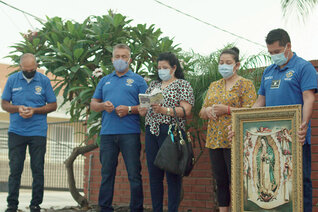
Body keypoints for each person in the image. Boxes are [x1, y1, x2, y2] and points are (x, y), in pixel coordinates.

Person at [253, 28, 317, 212]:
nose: (274, 56)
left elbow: (309, 98)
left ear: (288, 46)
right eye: (270, 53)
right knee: (276, 182)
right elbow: (260, 102)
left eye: (276, 52)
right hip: (270, 139)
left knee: (299, 182)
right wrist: (241, 122)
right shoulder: (268, 71)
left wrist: (304, 125)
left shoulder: (303, 67)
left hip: (295, 137)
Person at [90, 44, 148, 212]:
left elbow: (146, 106)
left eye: (124, 57)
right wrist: (102, 106)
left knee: (134, 175)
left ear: (129, 59)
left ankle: (136, 209)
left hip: (130, 133)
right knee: (107, 174)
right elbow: (93, 104)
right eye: (117, 57)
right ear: (112, 59)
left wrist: (129, 109)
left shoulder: (139, 80)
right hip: (107, 134)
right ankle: (105, 208)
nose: (120, 60)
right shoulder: (104, 80)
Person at [199, 47, 257, 212]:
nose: (223, 66)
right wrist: (208, 111)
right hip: (214, 140)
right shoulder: (214, 85)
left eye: (228, 63)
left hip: (236, 139)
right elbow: (202, 111)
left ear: (237, 65)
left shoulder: (245, 84)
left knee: (238, 180)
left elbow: (252, 111)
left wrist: (228, 110)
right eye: (221, 63)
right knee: (221, 180)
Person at [1, 53, 57, 212]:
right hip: (16, 131)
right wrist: (18, 108)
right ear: (20, 68)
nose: (29, 72)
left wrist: (35, 110)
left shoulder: (44, 81)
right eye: (26, 70)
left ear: (36, 66)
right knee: (15, 169)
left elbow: (53, 105)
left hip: (38, 132)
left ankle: (35, 204)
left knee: (38, 169)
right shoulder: (12, 80)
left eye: (32, 70)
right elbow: (4, 104)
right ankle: (12, 204)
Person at [138, 52, 194, 212]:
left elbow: (186, 110)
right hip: (151, 132)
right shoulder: (153, 85)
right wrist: (143, 108)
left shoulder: (182, 85)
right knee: (154, 176)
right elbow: (143, 111)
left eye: (165, 67)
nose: (161, 70)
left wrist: (164, 110)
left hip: (170, 133)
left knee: (172, 176)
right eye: (159, 67)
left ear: (174, 68)